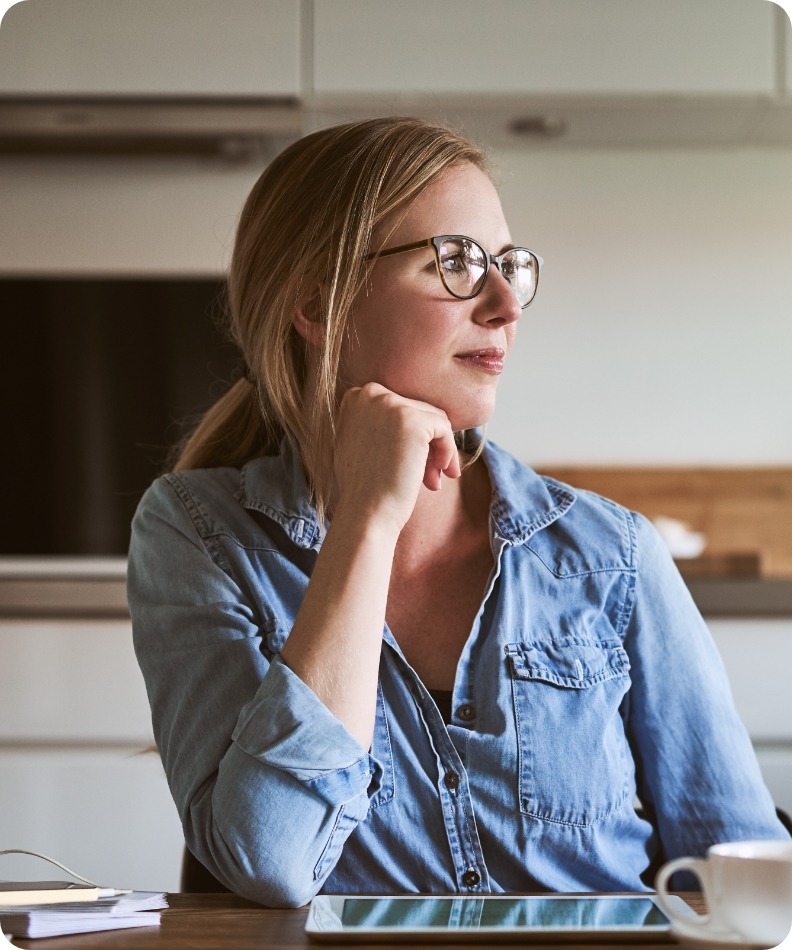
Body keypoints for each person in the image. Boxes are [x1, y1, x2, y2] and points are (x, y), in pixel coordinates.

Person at [127, 116, 787, 908]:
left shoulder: (611, 553)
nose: (507, 303)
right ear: (318, 301)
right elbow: (271, 861)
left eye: (508, 265)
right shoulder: (198, 533)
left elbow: (746, 872)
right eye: (457, 263)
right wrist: (366, 523)